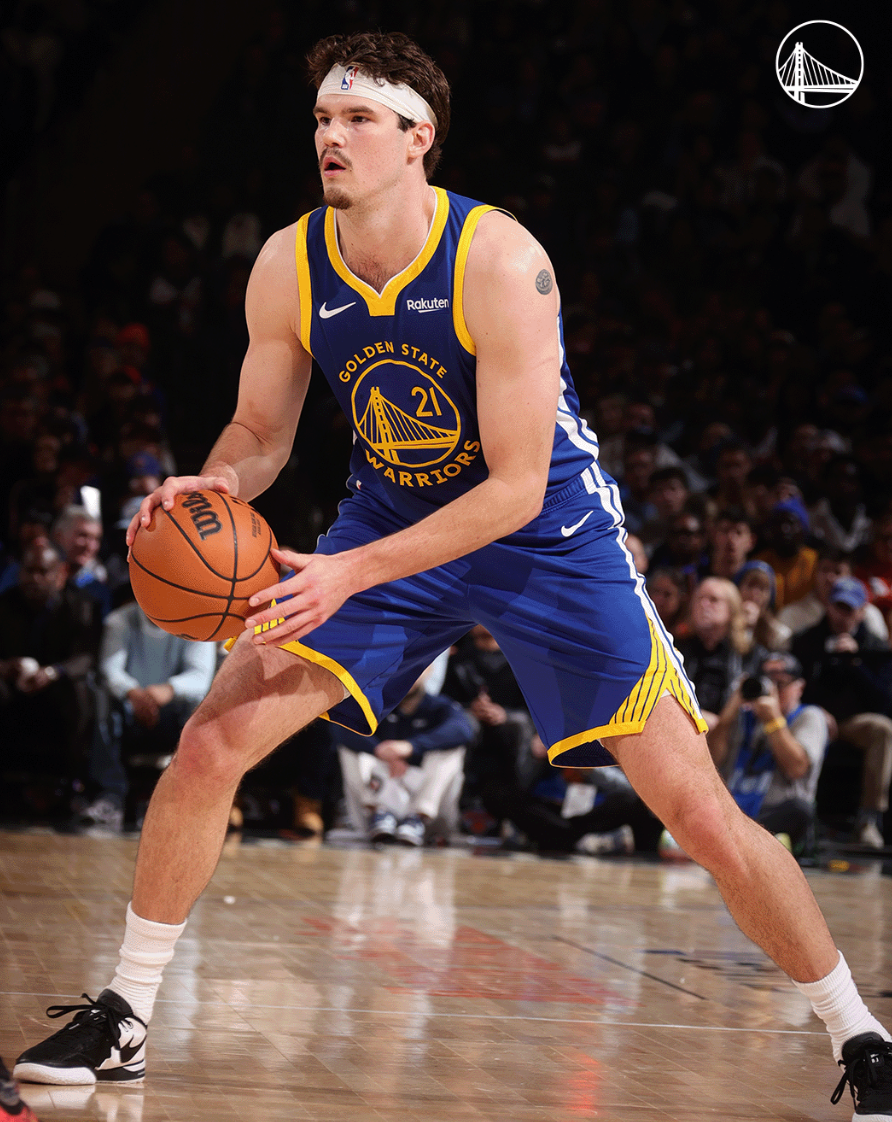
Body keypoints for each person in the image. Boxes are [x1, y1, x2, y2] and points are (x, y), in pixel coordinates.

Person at [15, 31, 892, 1119]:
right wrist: (214, 483)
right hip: (392, 517)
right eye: (323, 119)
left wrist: (347, 573)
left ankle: (860, 1034)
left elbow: (514, 488)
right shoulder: (289, 262)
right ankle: (126, 1013)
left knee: (700, 815)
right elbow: (261, 430)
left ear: (417, 137)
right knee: (209, 743)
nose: (332, 137)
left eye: (359, 119)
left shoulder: (499, 259)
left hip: (548, 538)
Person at [80, 590, 218, 833]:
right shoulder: (120, 619)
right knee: (101, 698)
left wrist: (167, 689)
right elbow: (110, 671)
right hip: (128, 710)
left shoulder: (198, 622)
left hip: (173, 712)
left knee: (201, 705)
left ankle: (183, 802)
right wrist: (134, 693)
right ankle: (109, 797)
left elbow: (200, 677)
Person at [792, 577, 892, 849]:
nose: (842, 615)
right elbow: (797, 688)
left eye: (849, 609)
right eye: (838, 607)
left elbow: (883, 702)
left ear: (862, 611)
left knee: (883, 729)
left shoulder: (875, 647)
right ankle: (797, 815)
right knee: (809, 721)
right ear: (828, 606)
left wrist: (854, 663)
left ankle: (869, 820)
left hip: (852, 723)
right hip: (813, 716)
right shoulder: (807, 640)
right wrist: (818, 711)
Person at [0, 542, 101, 806]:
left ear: (60, 574)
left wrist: (53, 672)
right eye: (29, 571)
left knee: (82, 691)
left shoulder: (81, 606)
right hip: (12, 687)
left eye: (43, 572)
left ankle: (73, 785)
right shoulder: (5, 604)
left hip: (57, 685)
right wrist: (5, 667)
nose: (35, 578)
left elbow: (86, 657)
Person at [335, 664, 474, 845]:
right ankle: (379, 814)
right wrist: (379, 751)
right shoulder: (375, 702)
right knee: (351, 751)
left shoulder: (440, 706)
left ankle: (417, 817)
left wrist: (410, 747)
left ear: (430, 670)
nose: (409, 674)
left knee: (452, 751)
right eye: (404, 666)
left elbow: (463, 730)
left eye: (418, 667)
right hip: (382, 788)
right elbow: (340, 729)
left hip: (424, 796)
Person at [708, 652, 828, 854]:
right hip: (731, 810)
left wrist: (773, 720)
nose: (772, 690)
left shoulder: (810, 716)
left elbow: (796, 768)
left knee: (799, 810)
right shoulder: (743, 715)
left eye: (780, 683)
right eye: (767, 681)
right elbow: (712, 761)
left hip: (771, 814)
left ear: (799, 687)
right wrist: (727, 715)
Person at [676, 576, 767, 728]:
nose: (704, 605)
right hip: (684, 727)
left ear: (732, 609)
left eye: (713, 600)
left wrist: (720, 724)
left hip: (731, 734)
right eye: (699, 599)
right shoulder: (676, 649)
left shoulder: (751, 655)